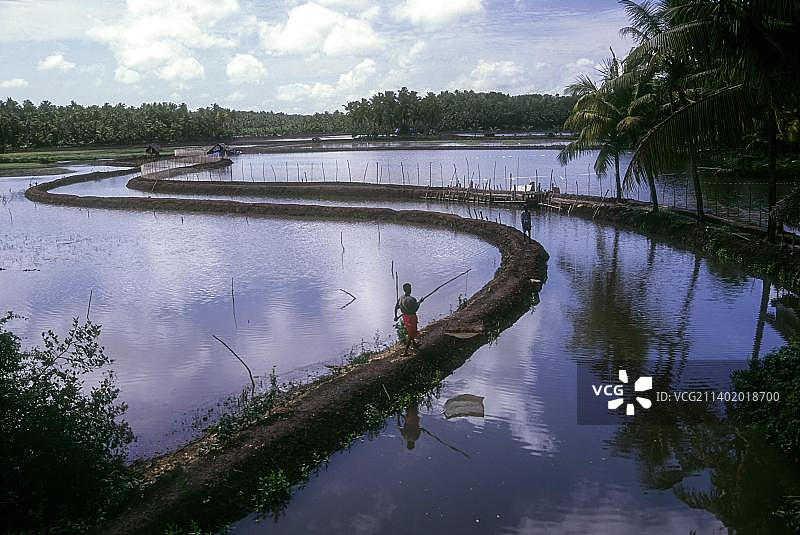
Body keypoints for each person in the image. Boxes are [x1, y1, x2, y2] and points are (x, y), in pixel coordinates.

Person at [394, 282, 420, 356]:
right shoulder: (412, 299)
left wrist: (395, 316)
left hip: (405, 317)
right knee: (411, 334)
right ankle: (405, 352)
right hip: (411, 318)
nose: (411, 289)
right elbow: (415, 310)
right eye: (410, 288)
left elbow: (396, 307)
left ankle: (414, 344)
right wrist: (419, 303)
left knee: (410, 332)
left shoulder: (401, 298)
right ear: (409, 290)